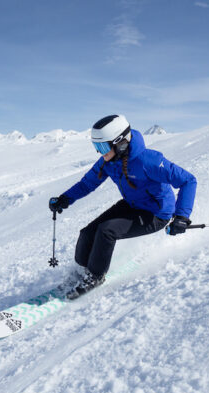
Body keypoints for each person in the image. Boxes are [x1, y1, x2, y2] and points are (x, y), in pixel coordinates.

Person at [49, 115, 197, 299]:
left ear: (120, 143)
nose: (99, 153)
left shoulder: (149, 161)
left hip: (156, 213)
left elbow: (188, 180)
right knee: (86, 233)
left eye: (102, 147)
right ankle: (82, 271)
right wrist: (65, 199)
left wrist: (181, 217)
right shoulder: (108, 161)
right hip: (132, 205)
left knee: (106, 231)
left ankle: (95, 276)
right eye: (97, 147)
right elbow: (88, 183)